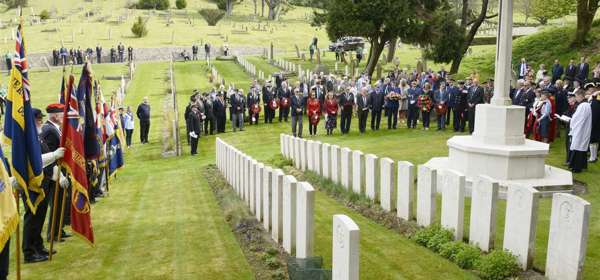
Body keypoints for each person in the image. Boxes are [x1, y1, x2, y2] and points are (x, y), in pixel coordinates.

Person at [20, 108, 66, 264]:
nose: (40, 121)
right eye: (37, 119)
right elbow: (35, 161)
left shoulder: (38, 137)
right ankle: (29, 251)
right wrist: (54, 155)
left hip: (43, 182)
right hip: (32, 185)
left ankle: (38, 246)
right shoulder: (26, 140)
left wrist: (58, 176)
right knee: (32, 218)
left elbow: (48, 163)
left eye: (41, 118)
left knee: (39, 217)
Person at [40, 104, 71, 244]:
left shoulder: (54, 128)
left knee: (59, 204)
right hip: (53, 173)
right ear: (55, 115)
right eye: (61, 114)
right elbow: (49, 154)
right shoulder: (49, 130)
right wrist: (59, 175)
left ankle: (59, 229)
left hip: (59, 171)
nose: (63, 117)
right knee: (56, 203)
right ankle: (52, 233)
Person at [557, 90, 592, 173]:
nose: (575, 99)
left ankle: (576, 167)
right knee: (580, 148)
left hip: (580, 130)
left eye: (576, 97)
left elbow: (578, 119)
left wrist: (571, 122)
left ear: (581, 96)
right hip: (582, 129)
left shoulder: (583, 105)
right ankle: (581, 165)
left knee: (578, 147)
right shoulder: (585, 105)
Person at [588, 89, 600, 162]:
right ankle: (594, 157)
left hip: (594, 124)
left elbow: (594, 115)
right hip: (596, 124)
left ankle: (592, 157)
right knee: (595, 141)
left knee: (592, 141)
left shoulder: (595, 102)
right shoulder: (595, 101)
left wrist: (591, 124)